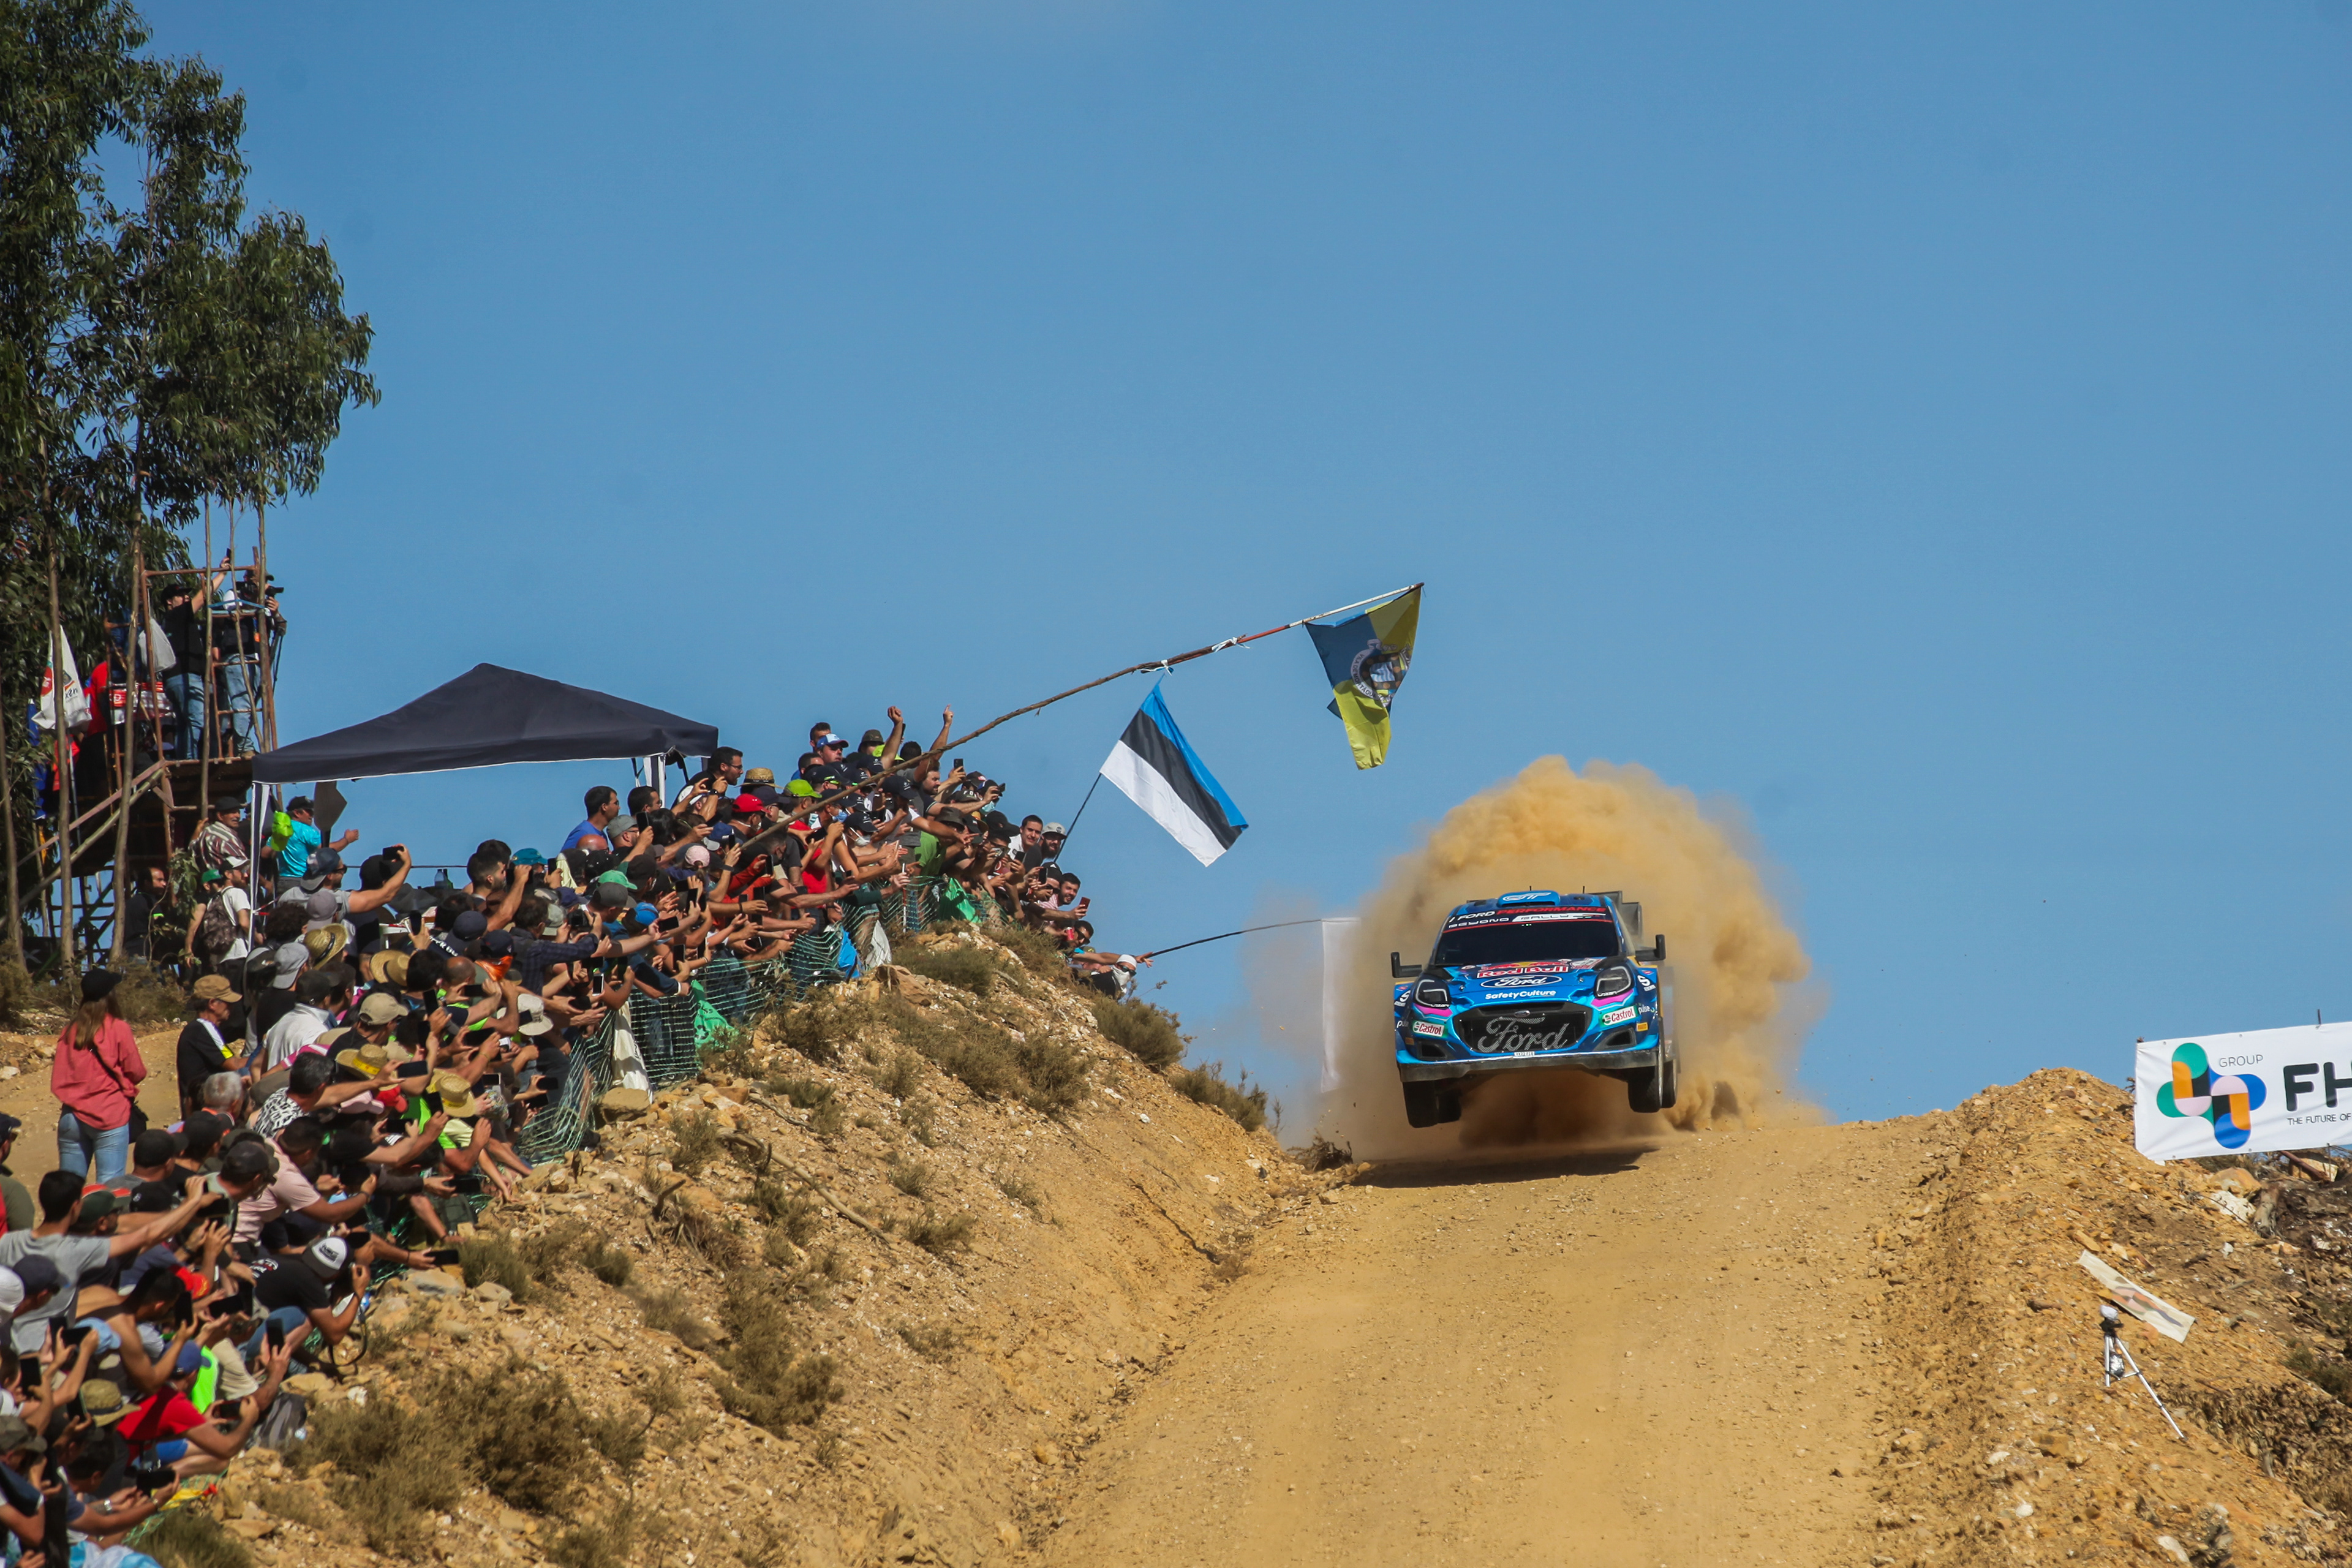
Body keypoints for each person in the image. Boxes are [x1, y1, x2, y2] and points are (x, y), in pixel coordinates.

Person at [51, 973, 146, 1186]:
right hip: (109, 1115)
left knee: (68, 1189)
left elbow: (61, 1074)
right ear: (110, 995)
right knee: (109, 1188)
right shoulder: (118, 1027)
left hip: (71, 1116)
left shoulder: (69, 1031)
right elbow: (137, 1071)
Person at [175, 976, 240, 1123]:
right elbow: (233, 1065)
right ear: (212, 1004)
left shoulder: (201, 1029)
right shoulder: (204, 1028)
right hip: (205, 1115)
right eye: (227, 1003)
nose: (231, 1007)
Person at [273, 796, 356, 889]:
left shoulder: (279, 830)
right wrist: (347, 840)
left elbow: (266, 853)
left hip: (283, 882)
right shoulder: (306, 830)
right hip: (303, 882)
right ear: (297, 813)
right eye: (308, 811)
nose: (312, 815)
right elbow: (327, 851)